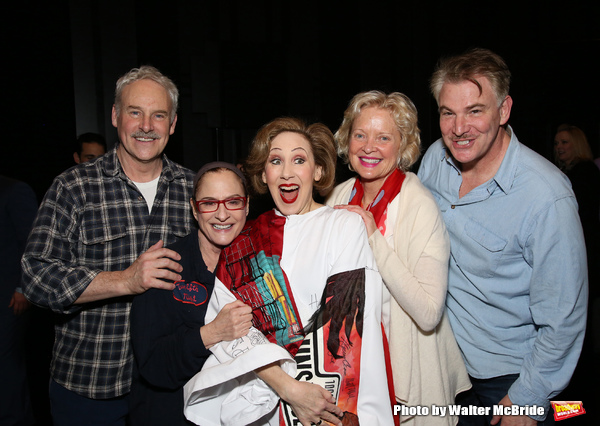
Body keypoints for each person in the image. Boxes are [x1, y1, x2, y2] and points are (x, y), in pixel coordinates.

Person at [183, 117, 394, 426]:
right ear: (264, 174)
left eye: (299, 159)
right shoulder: (241, 244)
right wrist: (289, 388)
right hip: (269, 399)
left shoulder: (343, 227)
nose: (286, 172)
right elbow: (233, 336)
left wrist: (315, 404)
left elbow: (346, 325)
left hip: (332, 400)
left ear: (318, 170)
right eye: (275, 161)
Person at [417, 48, 588, 425]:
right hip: (448, 367)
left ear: (504, 110)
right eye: (448, 112)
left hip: (511, 380)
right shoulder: (434, 162)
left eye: (475, 110)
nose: (459, 128)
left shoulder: (546, 196)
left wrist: (527, 397)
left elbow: (564, 317)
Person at [21, 65, 196, 425]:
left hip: (171, 384)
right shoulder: (74, 187)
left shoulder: (195, 190)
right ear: (116, 116)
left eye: (158, 115)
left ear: (173, 124)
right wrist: (125, 280)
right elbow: (36, 275)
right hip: (90, 385)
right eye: (135, 112)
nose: (147, 125)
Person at [326, 90, 471, 425]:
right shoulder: (339, 196)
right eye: (359, 134)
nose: (368, 147)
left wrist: (373, 238)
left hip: (406, 375)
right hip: (352, 374)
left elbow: (428, 312)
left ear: (403, 146)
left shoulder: (418, 204)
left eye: (383, 137)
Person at [129, 162, 253, 425]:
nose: (222, 215)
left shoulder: (264, 265)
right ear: (195, 210)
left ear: (247, 206)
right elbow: (152, 364)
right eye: (209, 203)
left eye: (233, 201)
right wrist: (211, 333)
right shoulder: (165, 266)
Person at [0, 176, 38, 426]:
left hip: (9, 298)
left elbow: (34, 244)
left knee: (6, 367)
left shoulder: (14, 190)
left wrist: (23, 287)